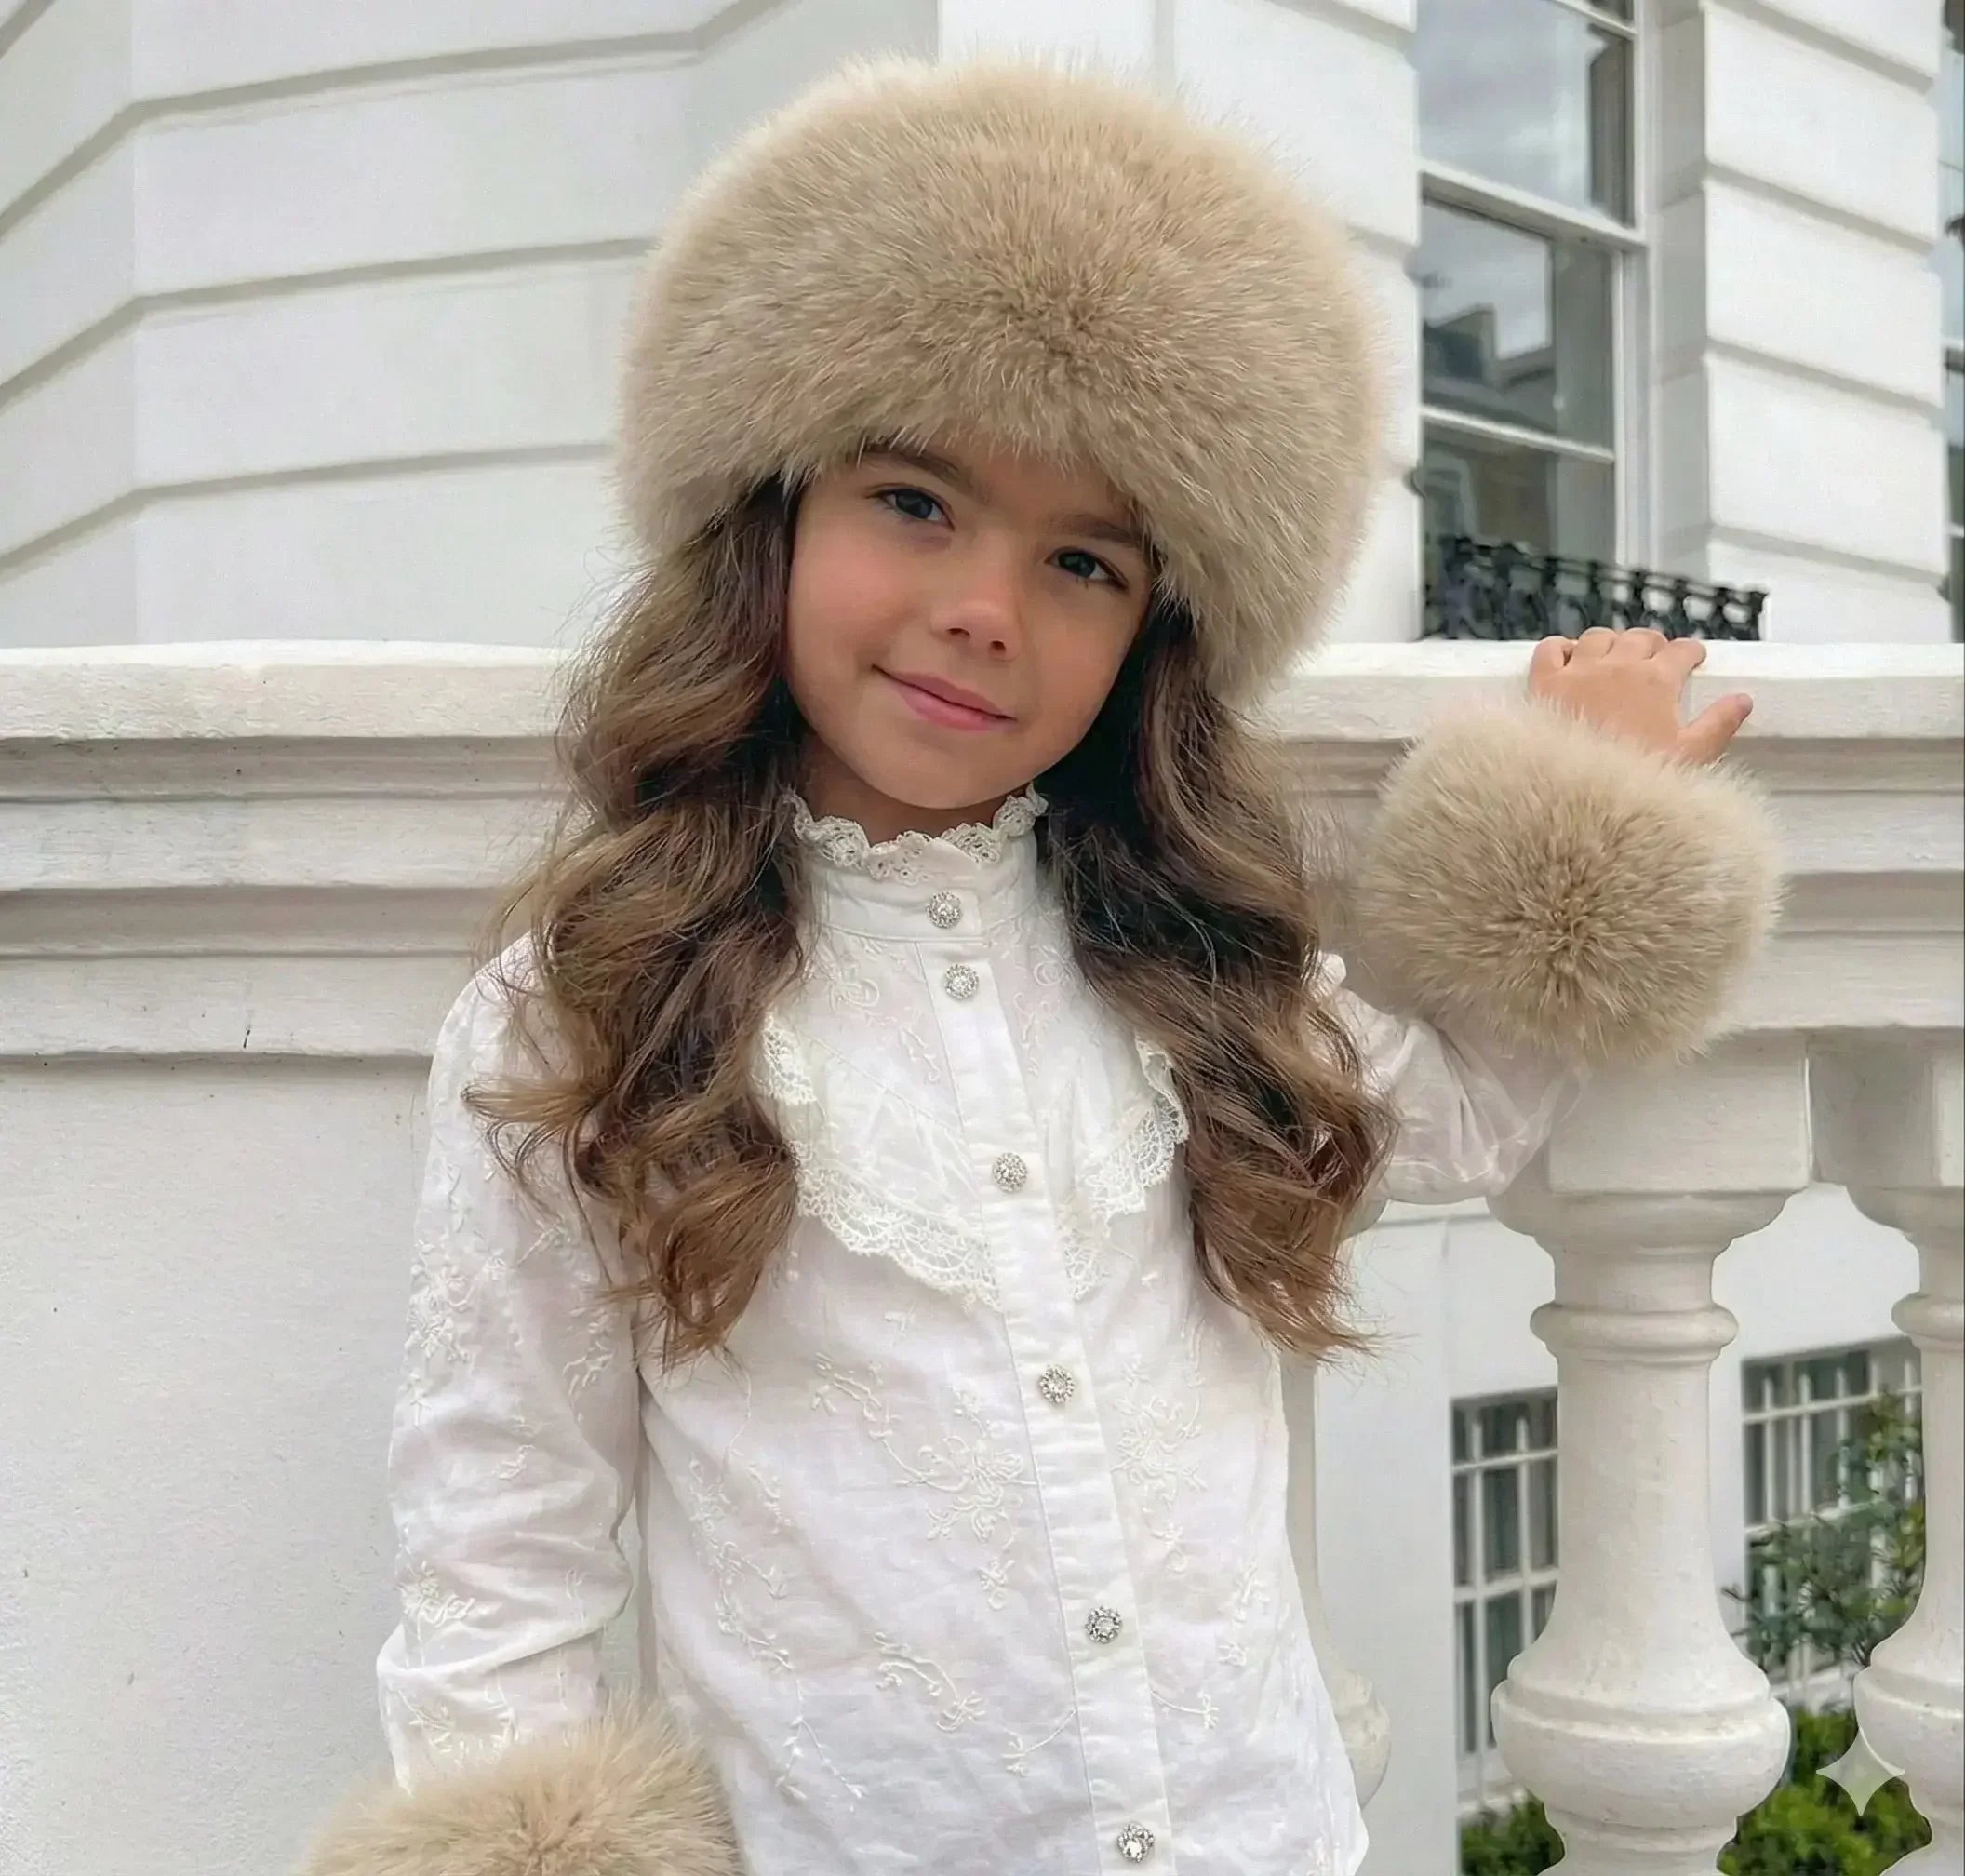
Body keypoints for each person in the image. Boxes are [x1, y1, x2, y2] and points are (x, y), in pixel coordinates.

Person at [295, 57, 1777, 1876]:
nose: (987, 608)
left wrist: (1589, 820)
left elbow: (1447, 1124)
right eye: (914, 501)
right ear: (773, 510)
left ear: (1153, 630)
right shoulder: (588, 1004)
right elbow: (501, 1527)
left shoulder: (1184, 958)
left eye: (1082, 558)